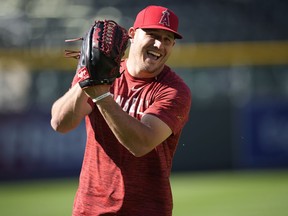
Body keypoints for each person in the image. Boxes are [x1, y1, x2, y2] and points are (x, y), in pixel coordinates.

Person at [50, 5, 192, 216]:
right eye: (152, 34)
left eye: (167, 39)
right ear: (133, 34)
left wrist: (101, 95)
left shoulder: (174, 91)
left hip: (146, 210)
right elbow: (60, 123)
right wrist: (86, 80)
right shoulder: (99, 71)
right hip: (90, 209)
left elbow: (140, 143)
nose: (159, 44)